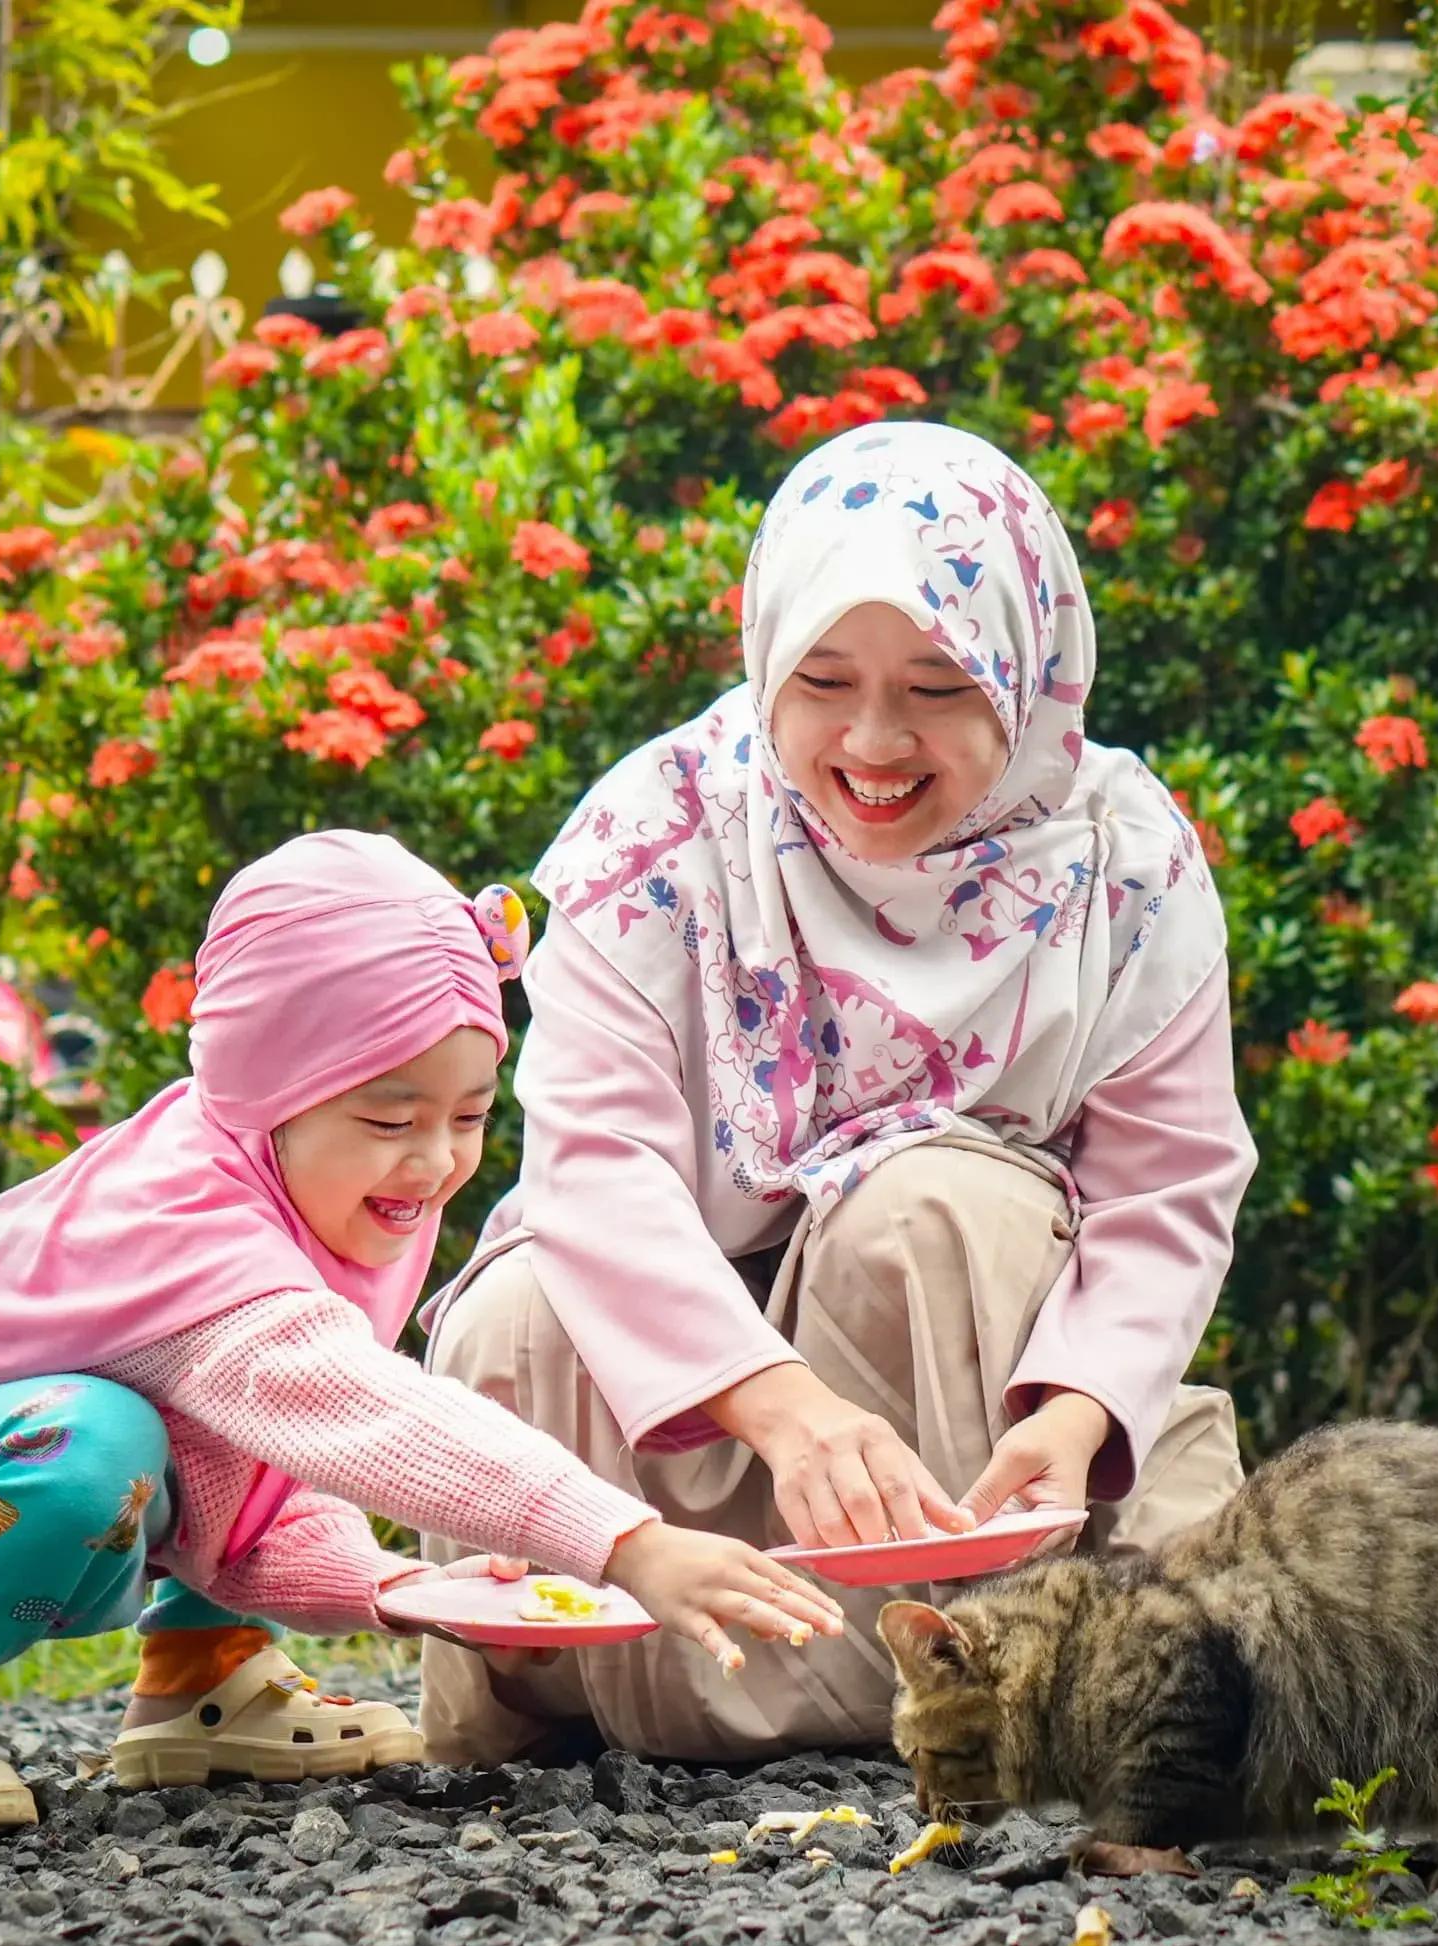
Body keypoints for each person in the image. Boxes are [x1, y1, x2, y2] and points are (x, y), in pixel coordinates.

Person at [420, 423, 1258, 1763]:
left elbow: (1168, 1183)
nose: (873, 740)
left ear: (1026, 686)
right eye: (824, 679)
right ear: (766, 666)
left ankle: (987, 1670)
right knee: (527, 1308)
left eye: (938, 685)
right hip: (672, 1417)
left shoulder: (1123, 863)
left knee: (935, 1204)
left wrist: (1078, 1412)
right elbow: (594, 1167)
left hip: (949, 1424)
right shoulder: (659, 840)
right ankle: (586, 1685)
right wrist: (781, 1405)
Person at [0, 831, 839, 1831]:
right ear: (268, 1092)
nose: (433, 1162)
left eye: (469, 1117)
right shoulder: (185, 1220)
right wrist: (628, 1543)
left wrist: (395, 1585)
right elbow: (358, 1414)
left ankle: (207, 1680)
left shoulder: (330, 1192)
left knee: (167, 1425)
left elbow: (278, 1457)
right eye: (390, 1119)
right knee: (94, 1435)